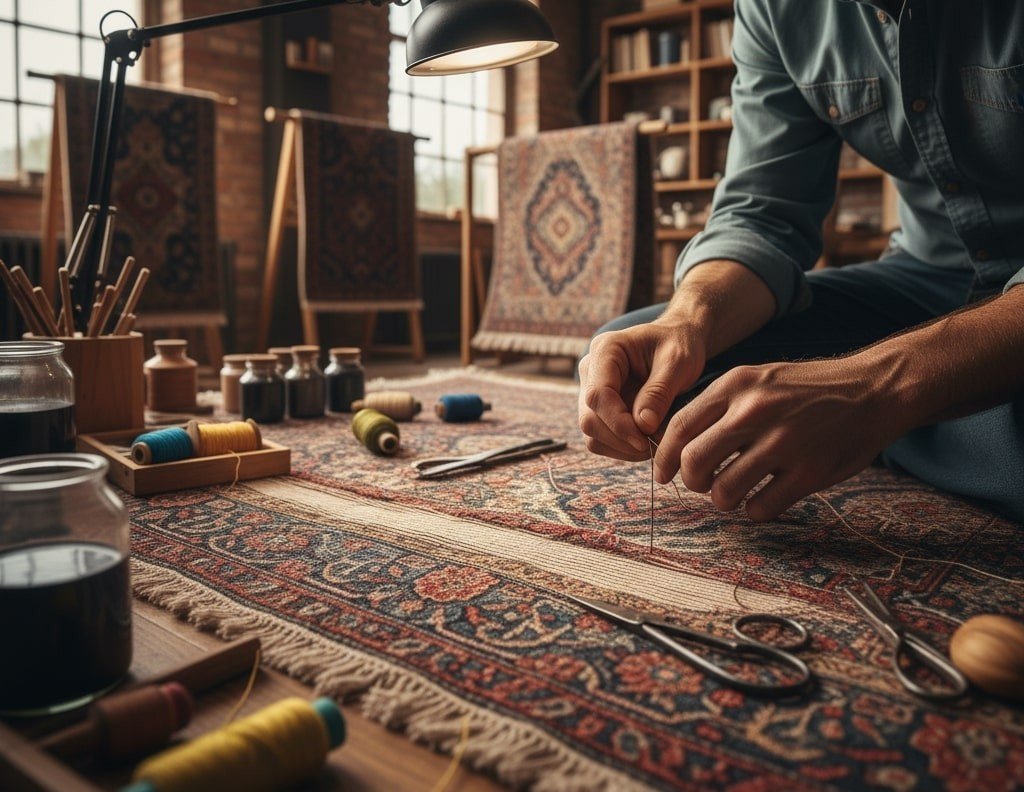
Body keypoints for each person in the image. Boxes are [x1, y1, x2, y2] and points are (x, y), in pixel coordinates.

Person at [577, 1, 1024, 523]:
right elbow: (761, 214)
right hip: (924, 279)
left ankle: (899, 423)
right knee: (645, 369)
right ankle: (950, 431)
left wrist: (875, 388)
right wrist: (687, 321)